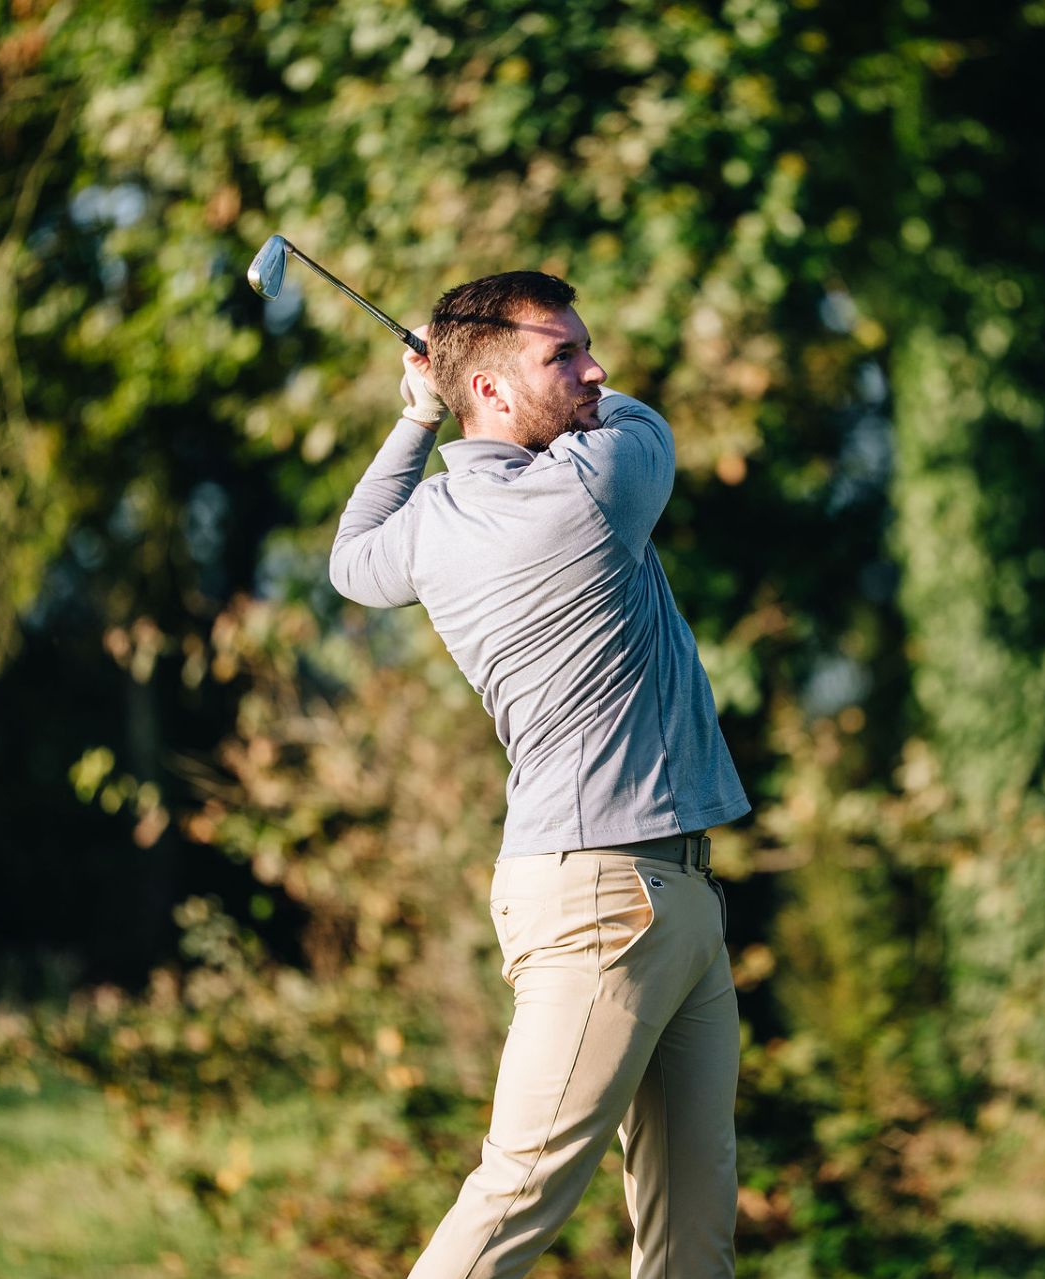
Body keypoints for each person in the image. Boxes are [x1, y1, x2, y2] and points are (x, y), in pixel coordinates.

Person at [327, 270, 749, 1278]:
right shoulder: (597, 482)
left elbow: (351, 557)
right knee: (519, 1191)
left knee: (693, 1235)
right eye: (565, 355)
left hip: (666, 889)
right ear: (492, 390)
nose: (596, 372)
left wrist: (419, 414)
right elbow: (645, 421)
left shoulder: (431, 521)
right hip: (606, 897)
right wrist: (447, 382)